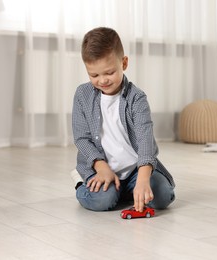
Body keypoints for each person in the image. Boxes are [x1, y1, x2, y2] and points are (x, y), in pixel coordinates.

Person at [71, 27, 175, 212]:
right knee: (102, 200)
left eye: (109, 72)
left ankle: (130, 189)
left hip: (136, 169)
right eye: (94, 75)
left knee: (162, 196)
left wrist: (143, 180)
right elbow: (82, 138)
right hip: (101, 167)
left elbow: (145, 140)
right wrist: (101, 167)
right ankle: (84, 182)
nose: (102, 80)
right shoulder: (82, 95)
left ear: (124, 63)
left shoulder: (137, 98)